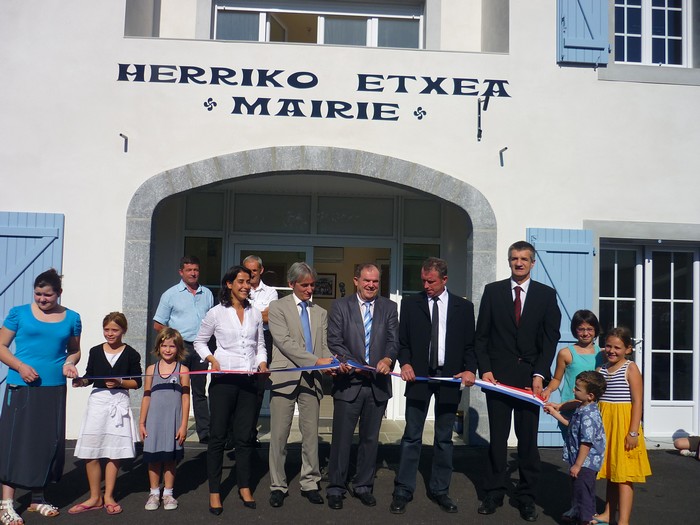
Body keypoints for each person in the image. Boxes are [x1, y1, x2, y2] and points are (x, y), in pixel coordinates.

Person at [475, 240, 561, 522]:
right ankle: (493, 492)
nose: (519, 263)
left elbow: (550, 339)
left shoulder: (546, 295)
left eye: (524, 259)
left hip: (529, 381)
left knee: (528, 443)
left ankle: (526, 497)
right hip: (497, 379)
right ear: (509, 261)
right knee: (497, 440)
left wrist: (540, 374)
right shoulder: (493, 291)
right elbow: (482, 336)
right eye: (515, 258)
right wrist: (485, 370)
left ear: (532, 262)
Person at [390, 257, 477, 515]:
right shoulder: (411, 304)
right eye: (423, 281)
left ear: (444, 280)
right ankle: (403, 489)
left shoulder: (464, 307)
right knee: (412, 435)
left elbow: (470, 345)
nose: (426, 286)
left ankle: (440, 490)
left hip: (449, 378)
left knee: (444, 437)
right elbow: (403, 342)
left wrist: (470, 370)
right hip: (419, 377)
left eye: (431, 281)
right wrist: (405, 363)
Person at [0, 269, 81, 524]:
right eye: (38, 294)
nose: (42, 299)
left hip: (54, 387)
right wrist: (20, 366)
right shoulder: (19, 313)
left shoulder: (73, 318)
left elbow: (75, 350)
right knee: (15, 443)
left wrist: (70, 363)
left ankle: (37, 498)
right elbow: (1, 346)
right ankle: (6, 503)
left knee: (46, 442)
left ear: (59, 293)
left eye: (47, 295)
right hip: (21, 386)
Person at [194, 266, 268, 514]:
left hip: (249, 381)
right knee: (217, 436)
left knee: (244, 437)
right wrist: (211, 359)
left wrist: (262, 363)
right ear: (229, 284)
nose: (246, 286)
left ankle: (244, 486)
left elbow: (260, 345)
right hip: (223, 381)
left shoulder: (254, 313)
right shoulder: (216, 313)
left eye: (248, 282)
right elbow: (199, 341)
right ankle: (215, 491)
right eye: (241, 281)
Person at [326, 263, 399, 510]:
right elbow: (334, 341)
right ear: (356, 280)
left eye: (375, 281)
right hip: (349, 382)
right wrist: (352, 364)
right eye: (367, 280)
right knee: (342, 439)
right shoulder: (340, 306)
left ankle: (363, 486)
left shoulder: (389, 307)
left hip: (377, 384)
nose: (371, 285)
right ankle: (336, 487)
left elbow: (393, 341)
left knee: (370, 439)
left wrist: (388, 359)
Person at [267, 262, 334, 508]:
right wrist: (316, 361)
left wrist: (331, 363)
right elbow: (284, 342)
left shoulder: (320, 312)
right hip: (285, 377)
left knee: (311, 435)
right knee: (279, 436)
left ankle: (310, 483)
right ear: (291, 284)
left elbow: (323, 347)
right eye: (304, 285)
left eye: (312, 285)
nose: (309, 289)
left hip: (312, 379)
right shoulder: (277, 307)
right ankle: (277, 485)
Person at [70, 312, 142, 516]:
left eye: (114, 330)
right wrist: (81, 382)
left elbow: (137, 382)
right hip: (98, 403)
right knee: (90, 450)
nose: (110, 333)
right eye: (107, 329)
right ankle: (95, 497)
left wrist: (120, 382)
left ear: (123, 330)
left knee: (114, 451)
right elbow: (90, 376)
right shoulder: (95, 351)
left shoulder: (131, 353)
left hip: (118, 403)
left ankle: (109, 496)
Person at [153, 255, 214, 443]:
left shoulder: (207, 293)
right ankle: (174, 429)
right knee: (176, 389)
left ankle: (204, 432)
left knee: (199, 390)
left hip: (201, 346)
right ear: (181, 272)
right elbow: (158, 324)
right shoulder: (170, 294)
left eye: (196, 270)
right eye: (189, 270)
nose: (193, 273)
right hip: (180, 347)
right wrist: (173, 340)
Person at [594, 327, 651, 525]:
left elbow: (637, 401)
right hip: (606, 425)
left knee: (624, 476)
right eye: (608, 346)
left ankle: (623, 521)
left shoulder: (630, 368)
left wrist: (633, 432)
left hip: (624, 426)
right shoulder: (600, 370)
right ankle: (608, 514)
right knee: (612, 473)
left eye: (617, 347)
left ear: (628, 349)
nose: (612, 350)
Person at [545, 371, 607, 525]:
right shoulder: (582, 407)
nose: (574, 390)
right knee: (578, 488)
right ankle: (578, 512)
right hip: (579, 459)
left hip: (586, 462)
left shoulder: (589, 415)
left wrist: (578, 465)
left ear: (590, 395)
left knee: (583, 491)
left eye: (578, 389)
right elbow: (570, 424)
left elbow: (587, 442)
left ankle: (586, 519)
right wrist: (554, 413)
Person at [140, 327, 190, 511]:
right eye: (164, 345)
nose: (168, 349)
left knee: (170, 459)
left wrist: (183, 425)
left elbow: (186, 399)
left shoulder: (183, 370)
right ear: (158, 347)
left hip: (173, 422)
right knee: (153, 458)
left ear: (178, 348)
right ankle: (154, 493)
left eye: (172, 346)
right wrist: (142, 422)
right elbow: (146, 396)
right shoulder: (151, 370)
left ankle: (168, 493)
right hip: (154, 422)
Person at [542, 310, 605, 438]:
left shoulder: (602, 354)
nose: (585, 333)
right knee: (571, 443)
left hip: (593, 407)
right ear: (574, 330)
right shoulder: (565, 353)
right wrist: (548, 390)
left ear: (595, 330)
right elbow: (557, 379)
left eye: (589, 329)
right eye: (581, 329)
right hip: (569, 406)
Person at [241, 255, 278, 447]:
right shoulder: (239, 289)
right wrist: (258, 314)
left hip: (264, 340)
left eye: (254, 270)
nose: (251, 274)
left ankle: (250, 432)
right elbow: (234, 313)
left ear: (261, 270)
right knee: (239, 387)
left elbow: (270, 317)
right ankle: (236, 431)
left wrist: (246, 313)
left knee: (258, 389)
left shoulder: (271, 292)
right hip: (241, 342)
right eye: (247, 271)